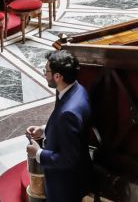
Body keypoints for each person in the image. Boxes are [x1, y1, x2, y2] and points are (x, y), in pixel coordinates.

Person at [25, 50, 92, 202]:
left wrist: (38, 153)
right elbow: (68, 130)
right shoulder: (77, 89)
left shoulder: (69, 113)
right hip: (75, 177)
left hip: (65, 186)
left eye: (46, 71)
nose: (44, 74)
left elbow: (68, 159)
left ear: (58, 76)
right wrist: (43, 130)